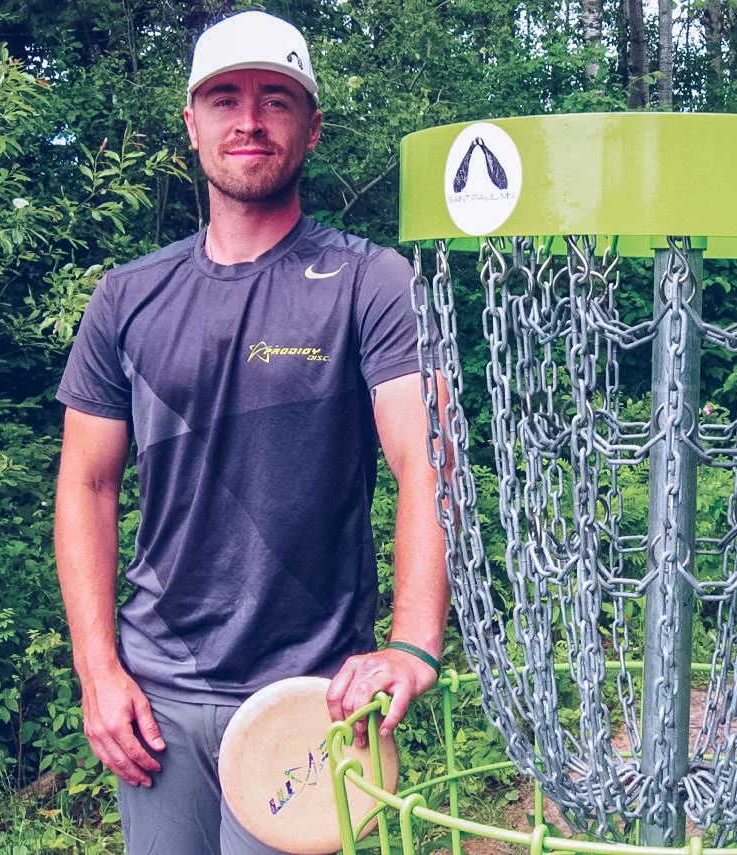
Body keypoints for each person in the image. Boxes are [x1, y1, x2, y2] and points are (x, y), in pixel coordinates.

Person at [53, 11, 450, 854]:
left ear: (311, 129)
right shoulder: (127, 297)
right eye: (224, 97)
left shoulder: (370, 282)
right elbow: (86, 483)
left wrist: (414, 641)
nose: (249, 119)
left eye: (276, 99)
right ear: (191, 123)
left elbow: (428, 457)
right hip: (155, 700)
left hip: (311, 701)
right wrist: (98, 670)